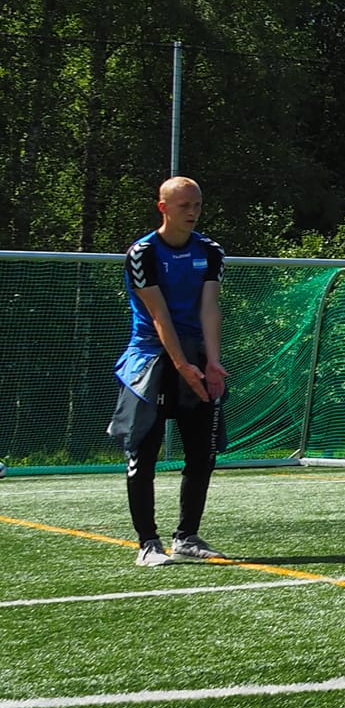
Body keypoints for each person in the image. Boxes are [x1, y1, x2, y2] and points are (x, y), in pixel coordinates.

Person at [109, 176, 231, 567]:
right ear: (163, 208)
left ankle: (187, 537)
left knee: (202, 454)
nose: (192, 212)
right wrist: (182, 366)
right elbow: (159, 316)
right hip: (151, 360)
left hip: (195, 356)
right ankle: (148, 544)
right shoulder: (142, 253)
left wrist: (211, 362)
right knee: (143, 455)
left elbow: (209, 308)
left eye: (197, 204)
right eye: (184, 205)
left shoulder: (210, 251)